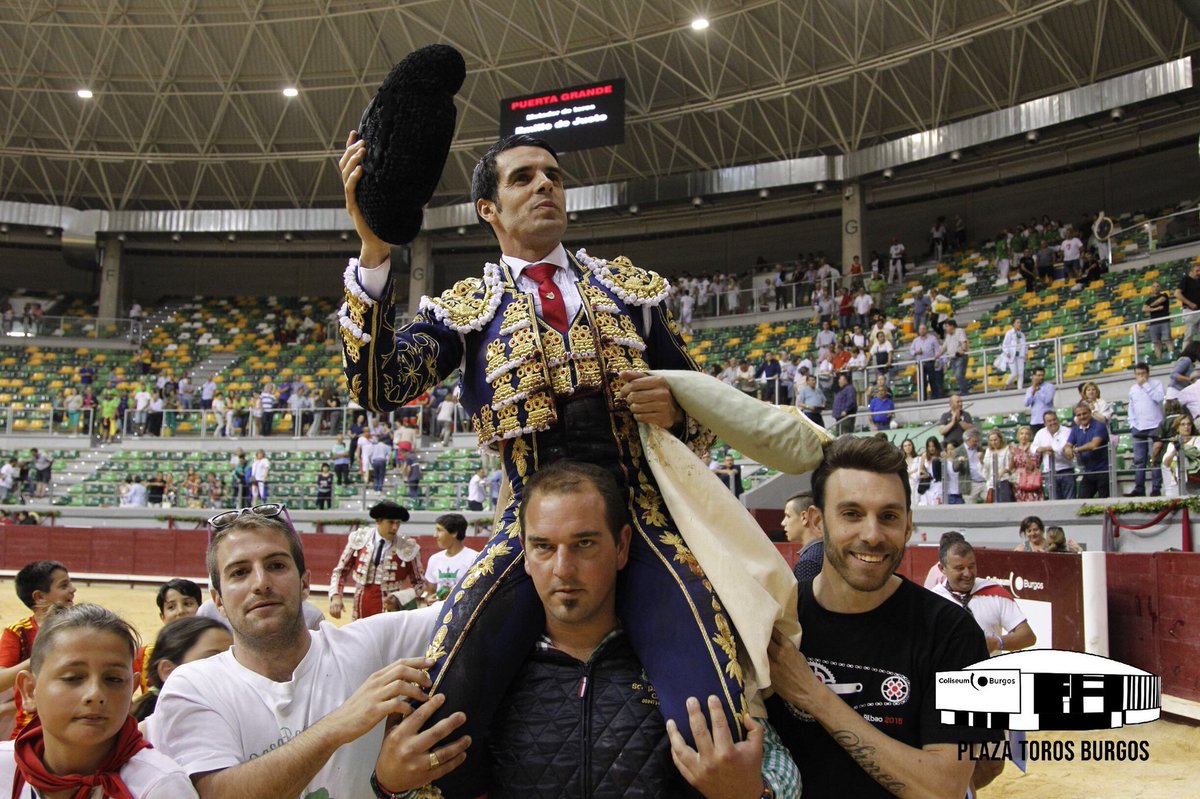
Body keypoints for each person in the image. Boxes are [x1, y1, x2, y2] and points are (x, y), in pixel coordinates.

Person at [339, 131, 755, 784]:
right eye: (524, 177)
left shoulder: (627, 292)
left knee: (717, 706)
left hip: (640, 523)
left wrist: (674, 410)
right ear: (488, 208)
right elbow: (378, 384)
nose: (545, 186)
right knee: (437, 714)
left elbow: (704, 408)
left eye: (554, 176)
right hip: (526, 533)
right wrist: (372, 249)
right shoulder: (466, 311)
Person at [494, 460, 800, 797]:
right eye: (544, 547)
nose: (563, 569)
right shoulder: (492, 669)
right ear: (524, 551)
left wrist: (756, 794)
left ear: (622, 546)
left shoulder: (693, 651)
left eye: (584, 544)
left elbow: (776, 767)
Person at [148, 504, 466, 798]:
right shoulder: (191, 686)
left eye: (276, 565)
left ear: (304, 584)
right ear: (217, 600)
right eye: (239, 572)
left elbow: (476, 599)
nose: (260, 583)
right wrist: (336, 726)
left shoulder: (369, 644)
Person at [766, 436, 996, 799]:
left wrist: (813, 695)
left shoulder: (952, 632)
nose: (872, 535)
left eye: (888, 516)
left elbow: (944, 789)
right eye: (851, 514)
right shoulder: (774, 619)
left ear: (907, 525)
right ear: (817, 521)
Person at [5, 604, 199, 798]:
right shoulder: (5, 768)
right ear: (30, 691)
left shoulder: (161, 786)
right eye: (72, 677)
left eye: (113, 679)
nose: (95, 694)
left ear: (132, 690)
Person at [0, 561, 76, 740]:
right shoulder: (18, 632)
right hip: (30, 728)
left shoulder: (83, 626)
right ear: (40, 597)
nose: (73, 589)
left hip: (74, 723)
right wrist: (40, 657)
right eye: (64, 585)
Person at [932, 538, 1037, 655]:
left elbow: (1028, 636)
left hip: (989, 672)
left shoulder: (994, 593)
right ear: (942, 568)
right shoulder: (933, 601)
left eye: (971, 566)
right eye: (959, 568)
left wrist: (998, 642)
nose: (967, 573)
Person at [329, 499, 426, 620]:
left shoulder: (407, 546)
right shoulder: (360, 539)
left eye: (398, 523)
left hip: (391, 608)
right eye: (391, 522)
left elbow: (420, 584)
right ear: (378, 521)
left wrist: (399, 598)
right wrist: (336, 596)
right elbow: (340, 571)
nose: (395, 527)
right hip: (360, 605)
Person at [133, 616, 233, 723]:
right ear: (168, 671)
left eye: (233, 658)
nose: (230, 669)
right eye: (213, 659)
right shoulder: (140, 734)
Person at [134, 578, 203, 695]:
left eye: (188, 604)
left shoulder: (218, 651)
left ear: (201, 609)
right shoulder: (145, 655)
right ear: (163, 617)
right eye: (171, 607)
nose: (180, 611)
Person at [1127, 363, 1166, 497]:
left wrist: (1146, 385)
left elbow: (1159, 398)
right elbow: (1131, 407)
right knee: (1139, 461)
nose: (1141, 376)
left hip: (1154, 426)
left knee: (1154, 459)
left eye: (1143, 373)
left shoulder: (1156, 384)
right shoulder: (1132, 389)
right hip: (1138, 427)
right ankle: (1139, 488)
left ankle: (1156, 488)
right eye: (1138, 374)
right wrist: (1132, 423)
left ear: (1148, 373)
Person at [423, 513, 478, 601]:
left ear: (454, 533)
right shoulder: (434, 559)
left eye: (439, 530)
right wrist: (428, 598)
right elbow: (430, 592)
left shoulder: (474, 558)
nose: (435, 535)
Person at [1065, 402, 1110, 499]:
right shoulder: (1075, 429)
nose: (1082, 417)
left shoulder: (1100, 426)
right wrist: (1068, 448)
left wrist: (1076, 450)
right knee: (1082, 501)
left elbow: (1094, 445)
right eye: (1079, 415)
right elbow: (1068, 444)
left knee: (1105, 502)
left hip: (1104, 471)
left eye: (1084, 413)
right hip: (1088, 471)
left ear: (1090, 413)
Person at [1033, 410, 1076, 500]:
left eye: (1054, 419)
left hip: (1066, 470)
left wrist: (1044, 448)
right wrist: (1040, 449)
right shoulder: (1040, 433)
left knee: (1070, 500)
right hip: (1049, 472)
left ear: (1058, 419)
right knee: (1054, 502)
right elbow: (1033, 448)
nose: (1053, 422)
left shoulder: (1067, 431)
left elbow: (1061, 448)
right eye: (1049, 421)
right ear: (1045, 423)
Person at [783, 492, 823, 583]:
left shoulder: (808, 563)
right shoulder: (826, 551)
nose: (783, 522)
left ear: (805, 518)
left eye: (788, 516)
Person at [1161, 415, 1200, 493]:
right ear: (1177, 428)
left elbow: (1196, 453)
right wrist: (1175, 449)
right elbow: (1166, 463)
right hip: (1176, 482)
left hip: (1195, 481)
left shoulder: (1197, 439)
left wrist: (1181, 446)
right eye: (1183, 424)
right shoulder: (1172, 444)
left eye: (1189, 424)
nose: (1186, 427)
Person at [909, 324, 944, 401]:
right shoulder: (915, 340)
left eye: (924, 329)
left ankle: (935, 397)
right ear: (918, 330)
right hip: (920, 363)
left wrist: (937, 360)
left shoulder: (932, 338)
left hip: (930, 362)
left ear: (926, 329)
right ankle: (923, 398)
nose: (922, 330)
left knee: (933, 380)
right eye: (920, 329)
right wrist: (916, 352)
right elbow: (911, 351)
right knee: (922, 382)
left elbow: (937, 350)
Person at [1009, 425, 1043, 502]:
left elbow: (1032, 466)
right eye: (1022, 434)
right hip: (1018, 481)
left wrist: (1024, 453)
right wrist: (1012, 455)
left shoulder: (1034, 448)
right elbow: (1011, 468)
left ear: (1030, 436)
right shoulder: (1015, 449)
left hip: (1031, 480)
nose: (1024, 436)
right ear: (1018, 436)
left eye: (1027, 434)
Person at [1015, 515, 1081, 553]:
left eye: (1035, 530)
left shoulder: (1053, 543)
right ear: (1025, 533)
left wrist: (1078, 550)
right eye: (1029, 531)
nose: (1033, 533)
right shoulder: (1021, 548)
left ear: (1042, 530)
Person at [981, 429, 1013, 503]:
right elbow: (986, 467)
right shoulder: (988, 451)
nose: (993, 442)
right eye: (991, 440)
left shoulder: (1006, 449)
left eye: (995, 440)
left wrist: (1002, 472)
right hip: (991, 483)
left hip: (1003, 481)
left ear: (1000, 439)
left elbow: (1008, 467)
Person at [1143, 281, 1172, 361]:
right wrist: (1156, 309)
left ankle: (1172, 357)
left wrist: (1151, 307)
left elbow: (1159, 301)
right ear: (1151, 288)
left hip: (1164, 321)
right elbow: (1144, 309)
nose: (1155, 288)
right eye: (1154, 286)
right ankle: (1159, 359)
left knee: (1167, 340)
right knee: (1156, 342)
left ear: (1160, 288)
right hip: (1153, 323)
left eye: (1157, 286)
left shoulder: (1164, 295)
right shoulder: (1149, 300)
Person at [1023, 365, 1055, 434]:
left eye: (1042, 375)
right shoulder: (1030, 389)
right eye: (1039, 375)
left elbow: (1047, 400)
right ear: (1034, 376)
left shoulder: (1050, 387)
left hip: (1047, 420)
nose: (1041, 377)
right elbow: (1026, 403)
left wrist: (1038, 390)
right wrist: (1033, 391)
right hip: (1035, 421)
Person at [1175, 260, 1200, 346]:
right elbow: (1177, 293)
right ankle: (1185, 357)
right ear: (1191, 271)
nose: (1199, 273)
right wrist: (1190, 303)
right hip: (1190, 311)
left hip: (1199, 311)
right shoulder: (1186, 280)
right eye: (1197, 271)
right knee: (1189, 336)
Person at [940, 318, 969, 394]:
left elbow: (964, 342)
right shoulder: (948, 335)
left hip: (960, 357)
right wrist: (938, 355)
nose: (945, 328)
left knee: (959, 375)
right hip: (952, 358)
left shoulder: (959, 331)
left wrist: (963, 349)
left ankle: (965, 392)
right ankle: (964, 391)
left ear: (952, 326)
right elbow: (944, 347)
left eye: (946, 326)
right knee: (957, 376)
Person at [916, 436, 943, 505]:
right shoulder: (924, 455)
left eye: (933, 446)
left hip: (938, 484)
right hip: (927, 483)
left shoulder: (941, 455)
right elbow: (921, 469)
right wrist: (925, 474)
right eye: (929, 446)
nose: (931, 449)